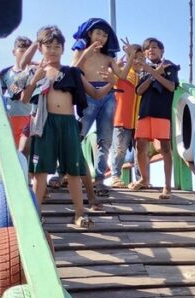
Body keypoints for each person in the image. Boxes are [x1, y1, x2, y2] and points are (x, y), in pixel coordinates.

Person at [16, 25, 117, 228]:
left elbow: (96, 94)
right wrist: (35, 81)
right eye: (48, 46)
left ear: (63, 49)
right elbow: (24, 98)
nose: (52, 50)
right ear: (41, 48)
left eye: (57, 46)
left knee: (73, 171)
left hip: (69, 124)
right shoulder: (37, 71)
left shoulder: (72, 72)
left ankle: (79, 214)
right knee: (40, 172)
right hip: (45, 124)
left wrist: (112, 83)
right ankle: (36, 215)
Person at [71, 18, 133, 192]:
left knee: (105, 139)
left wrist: (131, 56)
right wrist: (86, 53)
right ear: (90, 33)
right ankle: (66, 173)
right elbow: (73, 68)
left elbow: (121, 75)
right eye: (98, 33)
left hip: (108, 96)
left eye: (105, 35)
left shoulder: (109, 56)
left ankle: (99, 178)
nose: (102, 37)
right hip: (88, 95)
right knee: (78, 135)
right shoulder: (81, 49)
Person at [133, 37, 179, 198]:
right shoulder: (143, 69)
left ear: (162, 50)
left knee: (165, 148)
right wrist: (153, 73)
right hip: (145, 111)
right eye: (147, 49)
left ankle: (167, 186)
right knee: (140, 146)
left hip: (162, 112)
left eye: (154, 47)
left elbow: (171, 86)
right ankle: (144, 179)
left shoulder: (169, 66)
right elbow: (139, 90)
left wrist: (155, 72)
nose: (150, 50)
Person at [110, 43, 144, 188]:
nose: (137, 61)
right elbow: (111, 79)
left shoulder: (145, 77)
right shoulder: (122, 74)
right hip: (122, 119)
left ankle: (140, 178)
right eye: (134, 57)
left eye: (141, 58)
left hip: (139, 121)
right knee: (120, 149)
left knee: (141, 151)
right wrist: (115, 67)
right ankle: (115, 176)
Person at [0, 36, 35, 147]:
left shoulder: (34, 70)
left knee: (27, 152)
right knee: (13, 149)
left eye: (28, 52)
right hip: (12, 117)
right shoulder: (6, 73)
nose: (24, 54)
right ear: (14, 52)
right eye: (22, 51)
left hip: (30, 117)